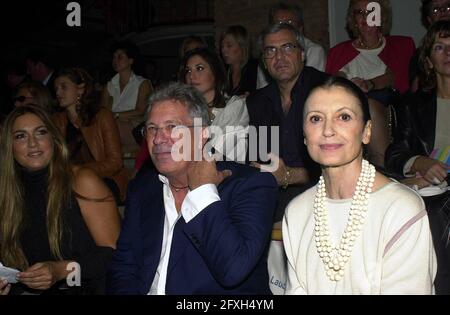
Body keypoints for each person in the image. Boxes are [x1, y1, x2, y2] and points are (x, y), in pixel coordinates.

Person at [106, 82, 278, 295]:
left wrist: (203, 192)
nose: (158, 139)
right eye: (152, 129)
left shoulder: (250, 185)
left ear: (202, 134)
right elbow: (124, 267)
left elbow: (233, 270)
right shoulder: (142, 189)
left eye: (172, 127)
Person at [283, 76, 437, 294]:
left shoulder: (400, 210)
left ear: (366, 131)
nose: (328, 130)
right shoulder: (297, 212)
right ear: (305, 136)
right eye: (316, 119)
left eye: (344, 117)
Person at [0, 105, 121, 294]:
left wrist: (62, 270)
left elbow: (116, 257)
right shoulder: (7, 194)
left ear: (54, 140)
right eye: (21, 136)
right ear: (10, 146)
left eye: (40, 133)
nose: (33, 143)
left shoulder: (82, 181)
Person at [385, 20, 450, 294]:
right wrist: (420, 163)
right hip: (429, 196)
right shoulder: (413, 105)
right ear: (428, 60)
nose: (448, 53)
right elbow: (394, 153)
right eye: (440, 47)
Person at [247, 23, 328, 223]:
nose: (279, 57)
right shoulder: (258, 102)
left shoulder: (327, 90)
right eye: (270, 51)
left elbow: (345, 159)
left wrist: (292, 175)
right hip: (275, 196)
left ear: (302, 54)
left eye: (287, 48)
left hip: (324, 192)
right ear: (264, 62)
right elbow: (261, 160)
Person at [134, 48, 249, 171]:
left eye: (199, 68)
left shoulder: (235, 106)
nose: (191, 76)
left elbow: (221, 152)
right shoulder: (181, 111)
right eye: (188, 71)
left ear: (215, 72)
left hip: (227, 176)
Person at [52, 67, 129, 203]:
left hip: (106, 178)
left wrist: (79, 171)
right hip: (69, 181)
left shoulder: (102, 117)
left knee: (80, 193)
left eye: (63, 87)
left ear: (80, 89)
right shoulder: (57, 121)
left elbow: (115, 162)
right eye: (56, 88)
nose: (58, 92)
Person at [257, 2, 327, 89]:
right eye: (278, 23)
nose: (279, 56)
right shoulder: (267, 55)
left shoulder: (314, 50)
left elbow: (311, 85)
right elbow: (262, 90)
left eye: (288, 48)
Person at [100, 41, 153, 151]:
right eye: (114, 57)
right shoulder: (109, 86)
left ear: (130, 60)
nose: (115, 61)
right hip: (113, 128)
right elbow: (103, 113)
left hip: (134, 130)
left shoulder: (142, 83)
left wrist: (116, 115)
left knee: (115, 125)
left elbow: (141, 111)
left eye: (120, 57)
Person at [410, 0, 450, 92]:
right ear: (429, 19)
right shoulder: (419, 55)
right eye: (436, 9)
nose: (443, 11)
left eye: (448, 7)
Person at [220, 25, 259, 96]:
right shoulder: (223, 72)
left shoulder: (254, 69)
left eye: (229, 46)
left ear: (243, 47)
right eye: (222, 46)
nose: (224, 50)